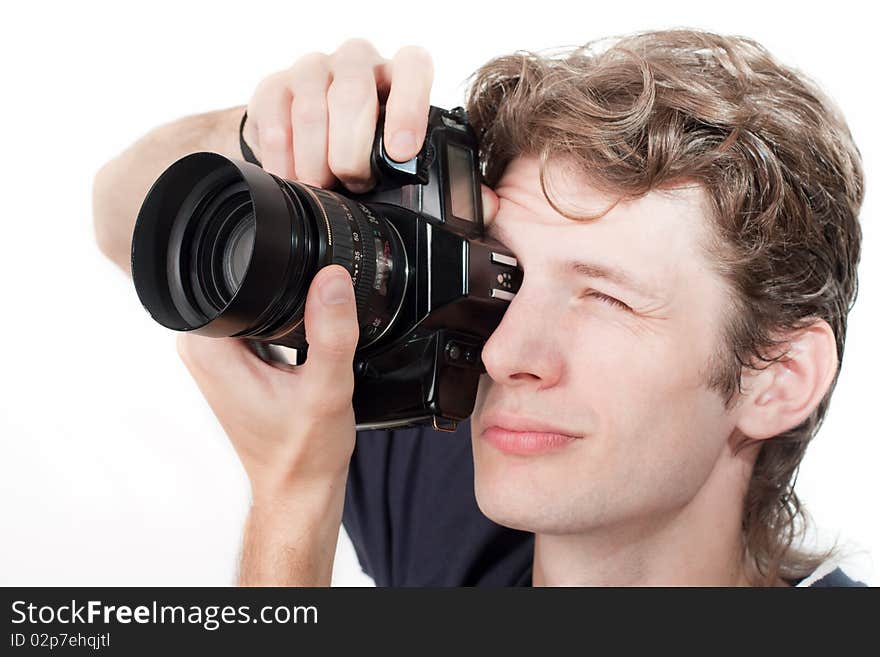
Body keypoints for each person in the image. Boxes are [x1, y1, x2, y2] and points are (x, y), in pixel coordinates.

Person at [92, 30, 866, 586]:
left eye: (604, 297)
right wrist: (269, 139)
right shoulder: (468, 482)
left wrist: (293, 508)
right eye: (510, 274)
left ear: (779, 375)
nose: (503, 352)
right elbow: (120, 215)